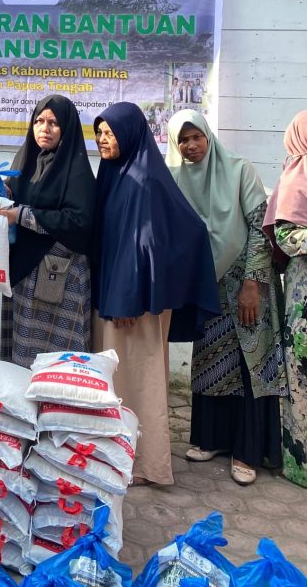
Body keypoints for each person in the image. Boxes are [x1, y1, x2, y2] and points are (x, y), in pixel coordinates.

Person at [91, 102, 220, 486]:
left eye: (110, 133)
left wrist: (127, 298)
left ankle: (145, 466)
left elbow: (146, 244)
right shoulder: (115, 173)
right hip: (116, 297)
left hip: (134, 305)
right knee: (118, 382)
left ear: (129, 134)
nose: (102, 139)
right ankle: (116, 458)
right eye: (99, 132)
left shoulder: (145, 180)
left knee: (138, 383)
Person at [166, 109, 286, 485]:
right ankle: (212, 438)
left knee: (250, 364)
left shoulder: (238, 169)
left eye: (196, 137)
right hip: (208, 283)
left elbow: (258, 229)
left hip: (248, 280)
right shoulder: (175, 178)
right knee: (213, 359)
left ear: (208, 135)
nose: (190, 146)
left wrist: (252, 284)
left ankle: (247, 451)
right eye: (183, 140)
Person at [0, 95, 96, 366]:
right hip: (23, 274)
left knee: (58, 360)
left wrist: (23, 214)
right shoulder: (26, 161)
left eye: (53, 123)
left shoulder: (76, 172)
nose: (44, 128)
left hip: (59, 276)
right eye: (39, 121)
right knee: (22, 352)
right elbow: (13, 198)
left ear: (67, 128)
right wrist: (0, 192)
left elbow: (78, 221)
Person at [263, 110, 307, 488]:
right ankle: (299, 464)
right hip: (303, 294)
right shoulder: (296, 176)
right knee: (301, 377)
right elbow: (285, 235)